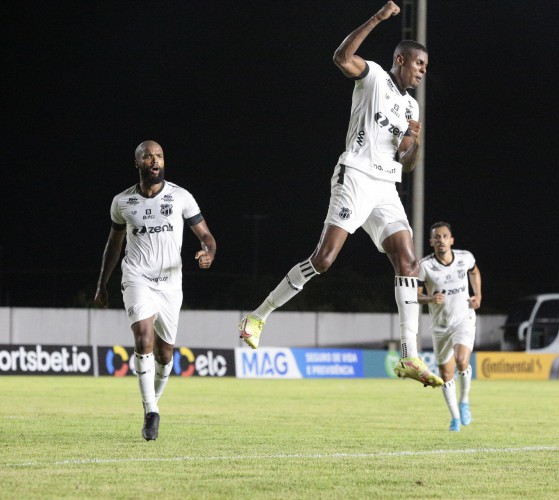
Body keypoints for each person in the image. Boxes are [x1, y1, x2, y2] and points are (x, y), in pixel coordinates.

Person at [238, 1, 442, 388]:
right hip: (355, 176)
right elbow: (341, 56)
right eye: (419, 65)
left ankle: (409, 355)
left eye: (425, 68)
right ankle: (257, 316)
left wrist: (413, 138)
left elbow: (408, 163)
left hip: (385, 186)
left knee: (409, 262)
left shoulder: (411, 106)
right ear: (401, 60)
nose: (422, 72)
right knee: (325, 259)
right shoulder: (375, 77)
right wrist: (379, 18)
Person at [95, 140, 217, 441]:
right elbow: (114, 245)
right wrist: (102, 283)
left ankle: (153, 402)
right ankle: (151, 411)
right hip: (137, 277)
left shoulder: (181, 197)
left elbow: (207, 237)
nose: (155, 160)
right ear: (138, 163)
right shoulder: (122, 202)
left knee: (165, 354)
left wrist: (208, 253)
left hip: (170, 284)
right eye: (148, 156)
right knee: (143, 337)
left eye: (159, 156)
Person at [417, 222, 482, 431]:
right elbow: (416, 295)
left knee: (462, 359)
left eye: (444, 236)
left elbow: (474, 272)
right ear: (431, 242)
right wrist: (429, 299)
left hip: (464, 318)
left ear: (451, 240)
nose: (441, 240)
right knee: (446, 374)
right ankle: (454, 418)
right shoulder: (424, 266)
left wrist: (478, 295)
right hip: (440, 326)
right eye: (437, 237)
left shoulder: (465, 258)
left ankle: (464, 401)